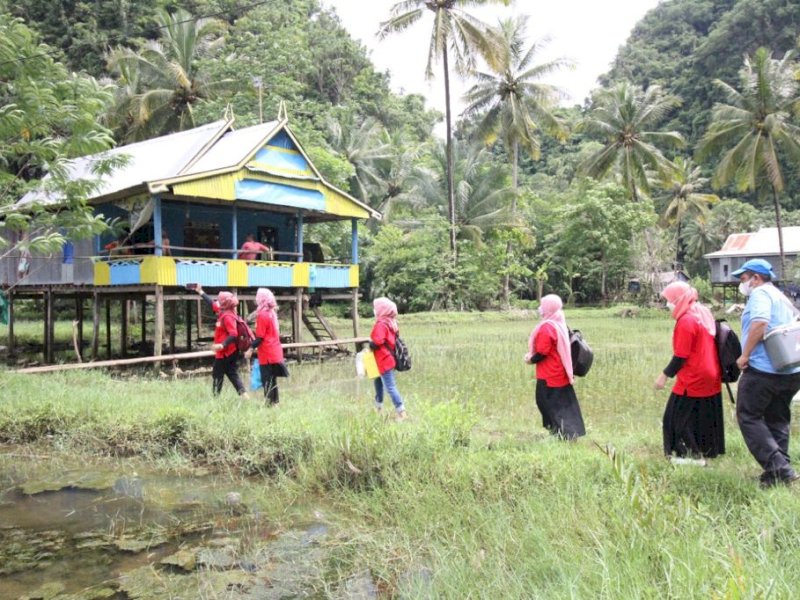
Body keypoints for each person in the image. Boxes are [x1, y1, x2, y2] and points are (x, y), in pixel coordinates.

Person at [732, 258, 800, 487]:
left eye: (743, 279)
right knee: (777, 419)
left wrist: (745, 355)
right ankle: (775, 477)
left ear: (756, 278)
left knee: (748, 416)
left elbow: (760, 324)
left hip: (764, 370)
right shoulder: (781, 296)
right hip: (790, 371)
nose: (742, 284)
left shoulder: (760, 294)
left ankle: (779, 468)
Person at [654, 281, 724, 464]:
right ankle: (705, 451)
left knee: (674, 417)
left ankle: (684, 454)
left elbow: (681, 356)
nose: (668, 304)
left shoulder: (686, 321)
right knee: (702, 414)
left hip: (694, 376)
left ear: (678, 299)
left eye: (669, 300)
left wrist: (663, 376)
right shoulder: (702, 312)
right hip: (711, 373)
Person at [525, 294, 585, 439]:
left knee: (547, 404)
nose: (540, 309)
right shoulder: (560, 322)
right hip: (561, 373)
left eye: (542, 306)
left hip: (549, 375)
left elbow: (542, 352)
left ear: (548, 308)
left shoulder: (547, 327)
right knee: (563, 405)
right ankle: (568, 433)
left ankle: (561, 433)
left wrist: (530, 360)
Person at [193, 284, 248, 398]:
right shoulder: (224, 310)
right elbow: (212, 303)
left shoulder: (227, 316)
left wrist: (222, 345)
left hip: (226, 352)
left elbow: (233, 334)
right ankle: (244, 396)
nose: (218, 301)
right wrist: (200, 291)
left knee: (217, 374)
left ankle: (215, 399)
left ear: (224, 303)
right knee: (232, 373)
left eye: (220, 300)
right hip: (230, 351)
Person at [369, 297, 407, 420]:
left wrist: (370, 344)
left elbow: (377, 341)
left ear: (382, 310)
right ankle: (378, 408)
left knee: (390, 387)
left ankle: (402, 413)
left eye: (376, 308)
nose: (374, 310)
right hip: (383, 360)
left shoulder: (381, 323)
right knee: (378, 383)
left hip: (383, 360)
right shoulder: (391, 322)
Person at [246, 287, 284, 405]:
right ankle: (275, 403)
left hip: (267, 352)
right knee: (273, 379)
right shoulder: (271, 313)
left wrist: (250, 349)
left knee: (267, 379)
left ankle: (268, 403)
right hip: (275, 350)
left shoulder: (262, 315)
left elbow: (260, 337)